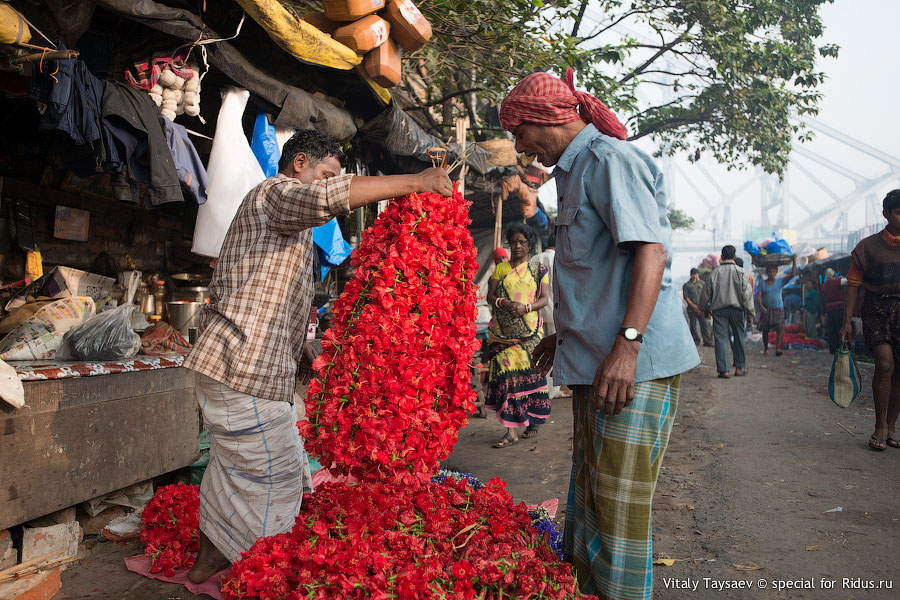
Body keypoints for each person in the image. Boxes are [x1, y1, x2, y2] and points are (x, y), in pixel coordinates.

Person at [183, 130, 452, 582]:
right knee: (278, 476)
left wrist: (305, 351)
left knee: (236, 470)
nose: (328, 182)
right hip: (241, 366)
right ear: (299, 163)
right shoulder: (276, 193)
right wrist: (416, 181)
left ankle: (209, 563)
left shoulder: (286, 222)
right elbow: (330, 197)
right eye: (325, 172)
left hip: (242, 367)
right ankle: (262, 576)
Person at [501, 68, 699, 600]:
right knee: (589, 497)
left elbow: (649, 253)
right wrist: (561, 335)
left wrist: (627, 347)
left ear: (545, 121)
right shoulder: (574, 171)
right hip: (597, 362)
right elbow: (593, 272)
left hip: (632, 366)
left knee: (616, 509)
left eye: (520, 134)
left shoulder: (610, 161)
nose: (521, 148)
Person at [841, 189, 900, 451]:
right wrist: (846, 323)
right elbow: (852, 285)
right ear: (886, 214)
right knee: (885, 364)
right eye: (898, 213)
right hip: (876, 310)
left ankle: (892, 425)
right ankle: (879, 426)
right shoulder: (867, 247)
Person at [485, 223, 551, 446]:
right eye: (513, 242)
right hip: (503, 335)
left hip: (530, 334)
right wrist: (504, 303)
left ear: (529, 244)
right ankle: (510, 429)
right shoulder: (502, 269)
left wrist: (526, 308)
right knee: (506, 378)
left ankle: (532, 420)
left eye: (522, 242)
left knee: (531, 376)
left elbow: (544, 298)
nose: (517, 246)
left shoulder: (538, 269)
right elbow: (490, 297)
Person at [704, 245, 755, 378]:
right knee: (739, 338)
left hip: (719, 311)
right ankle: (739, 368)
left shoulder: (714, 273)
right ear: (734, 257)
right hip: (737, 310)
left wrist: (704, 308)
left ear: (721, 257)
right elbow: (747, 295)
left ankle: (724, 370)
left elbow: (706, 294)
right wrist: (751, 314)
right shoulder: (741, 272)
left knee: (721, 339)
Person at [531, 235, 565, 398]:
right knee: (553, 352)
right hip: (555, 310)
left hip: (535, 311)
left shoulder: (535, 258)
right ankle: (551, 391)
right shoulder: (561, 258)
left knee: (538, 350)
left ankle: (535, 387)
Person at [757, 256, 798, 356]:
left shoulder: (780, 281)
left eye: (773, 271)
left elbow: (793, 274)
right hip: (766, 310)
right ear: (767, 273)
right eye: (769, 271)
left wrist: (794, 260)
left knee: (780, 329)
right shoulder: (762, 283)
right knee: (765, 330)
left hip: (778, 309)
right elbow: (758, 297)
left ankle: (778, 349)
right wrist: (762, 307)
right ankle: (766, 348)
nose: (771, 273)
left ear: (776, 272)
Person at [683, 268, 712, 347]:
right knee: (693, 326)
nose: (695, 276)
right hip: (691, 309)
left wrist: (704, 307)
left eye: (696, 274)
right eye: (694, 274)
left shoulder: (702, 283)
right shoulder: (686, 285)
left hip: (702, 308)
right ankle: (696, 341)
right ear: (691, 275)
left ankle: (707, 341)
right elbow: (686, 298)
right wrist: (694, 307)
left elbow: (706, 295)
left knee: (704, 325)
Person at [821, 268, 845, 353]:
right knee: (839, 328)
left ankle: (832, 348)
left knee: (832, 329)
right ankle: (840, 347)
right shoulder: (837, 281)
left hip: (829, 309)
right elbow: (848, 281)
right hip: (839, 308)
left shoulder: (824, 284)